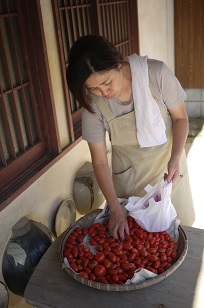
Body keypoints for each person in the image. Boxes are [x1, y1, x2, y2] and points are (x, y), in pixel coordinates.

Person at [66, 34, 195, 240]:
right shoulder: (93, 104)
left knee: (182, 238)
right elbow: (99, 162)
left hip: (169, 174)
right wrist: (116, 209)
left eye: (106, 82)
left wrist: (176, 156)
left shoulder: (156, 74)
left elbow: (180, 119)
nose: (104, 92)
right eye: (94, 88)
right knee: (141, 245)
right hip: (130, 186)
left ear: (118, 64)